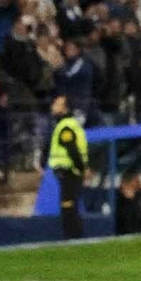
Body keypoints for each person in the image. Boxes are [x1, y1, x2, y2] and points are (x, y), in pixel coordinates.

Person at [46, 94, 87, 239]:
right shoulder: (70, 124)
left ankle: (72, 237)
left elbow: (72, 150)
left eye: (56, 104)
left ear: (64, 108)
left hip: (69, 171)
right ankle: (74, 236)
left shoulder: (66, 126)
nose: (53, 106)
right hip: (71, 172)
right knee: (72, 205)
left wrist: (80, 168)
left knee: (68, 206)